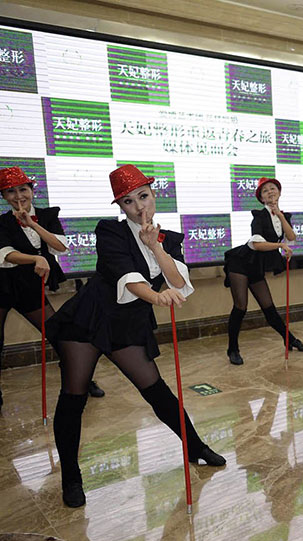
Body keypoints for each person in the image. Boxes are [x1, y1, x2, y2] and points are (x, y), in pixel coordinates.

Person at [46, 164, 225, 509]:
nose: (139, 206)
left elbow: (178, 281)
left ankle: (196, 447)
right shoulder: (109, 231)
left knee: (155, 389)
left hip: (127, 324)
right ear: (120, 206)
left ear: (154, 195)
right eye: (128, 201)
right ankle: (71, 476)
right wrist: (156, 297)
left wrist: (155, 247)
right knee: (74, 395)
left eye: (143, 196)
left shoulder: (168, 239)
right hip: (87, 320)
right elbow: (127, 278)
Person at [0, 167, 104, 412]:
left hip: (28, 287)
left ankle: (81, 379)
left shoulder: (47, 215)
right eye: (10, 192)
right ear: (4, 196)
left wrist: (32, 225)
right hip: (2, 285)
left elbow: (60, 247)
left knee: (59, 334)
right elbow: (5, 254)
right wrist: (35, 258)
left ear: (32, 190)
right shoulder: (2, 222)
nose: (18, 196)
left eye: (23, 189)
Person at [223, 177, 303, 365]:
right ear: (261, 198)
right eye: (265, 191)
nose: (270, 192)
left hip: (255, 266)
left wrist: (280, 216)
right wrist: (280, 245)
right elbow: (256, 244)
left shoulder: (283, 216)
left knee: (268, 307)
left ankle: (289, 339)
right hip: (240, 263)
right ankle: (232, 349)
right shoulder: (259, 216)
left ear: (279, 192)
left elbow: (291, 237)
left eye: (273, 188)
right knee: (241, 307)